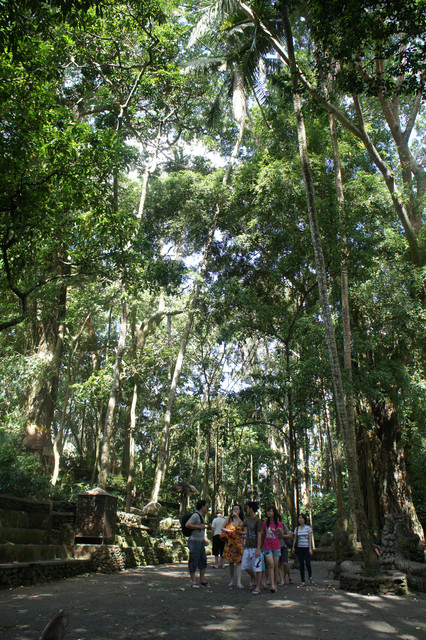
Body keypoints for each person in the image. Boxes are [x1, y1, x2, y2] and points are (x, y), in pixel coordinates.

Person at [241, 501, 263, 595]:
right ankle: (254, 578)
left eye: (247, 508)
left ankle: (258, 587)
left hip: (255, 547)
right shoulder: (247, 519)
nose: (246, 510)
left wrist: (258, 549)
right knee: (245, 565)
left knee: (258, 567)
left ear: (251, 509)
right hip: (247, 547)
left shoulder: (258, 520)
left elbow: (259, 535)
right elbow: (241, 525)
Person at [186, 499, 209, 588]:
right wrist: (198, 526)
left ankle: (202, 578)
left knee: (203, 560)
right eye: (206, 506)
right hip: (194, 541)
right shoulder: (195, 516)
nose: (206, 508)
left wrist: (203, 539)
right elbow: (188, 524)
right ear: (202, 507)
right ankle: (193, 581)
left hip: (200, 542)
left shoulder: (201, 516)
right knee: (193, 560)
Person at [261, 506, 283, 593]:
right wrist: (261, 546)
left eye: (270, 511)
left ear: (274, 512)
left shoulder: (279, 523)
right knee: (271, 564)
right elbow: (263, 535)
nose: (269, 513)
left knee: (276, 566)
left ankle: (275, 584)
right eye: (267, 511)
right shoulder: (265, 523)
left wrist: (280, 532)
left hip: (276, 546)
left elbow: (281, 536)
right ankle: (272, 585)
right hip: (267, 546)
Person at [222, 504, 245, 589]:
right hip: (230, 543)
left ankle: (239, 582)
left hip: (239, 542)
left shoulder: (241, 519)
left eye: (237, 509)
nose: (235, 511)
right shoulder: (229, 519)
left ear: (240, 511)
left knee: (239, 562)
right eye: (234, 509)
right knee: (231, 562)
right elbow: (222, 528)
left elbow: (243, 527)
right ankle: (232, 580)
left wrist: (238, 517)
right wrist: (229, 530)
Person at [292, 513, 315, 587]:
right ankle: (303, 581)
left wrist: (310, 548)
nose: (300, 519)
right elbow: (295, 538)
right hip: (300, 548)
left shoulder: (308, 528)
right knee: (301, 564)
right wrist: (293, 547)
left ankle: (310, 576)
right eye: (299, 518)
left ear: (304, 519)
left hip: (306, 547)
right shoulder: (297, 529)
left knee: (308, 563)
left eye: (301, 518)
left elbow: (310, 538)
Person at [278, 519, 293, 586]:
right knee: (278, 564)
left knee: (285, 563)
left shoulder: (283, 526)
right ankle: (282, 580)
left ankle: (287, 576)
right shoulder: (271, 526)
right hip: (276, 547)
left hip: (283, 546)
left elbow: (290, 534)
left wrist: (282, 536)